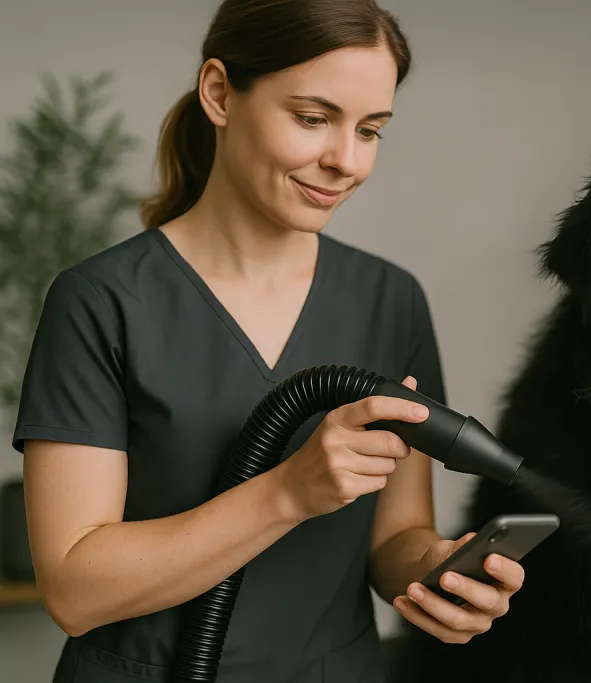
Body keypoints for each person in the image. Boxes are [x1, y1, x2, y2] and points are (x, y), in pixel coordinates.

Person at [12, 1, 525, 681]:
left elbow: (394, 536)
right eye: (313, 119)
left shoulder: (389, 301)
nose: (345, 160)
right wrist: (289, 490)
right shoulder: (102, 302)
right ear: (220, 93)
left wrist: (435, 572)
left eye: (370, 130)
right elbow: (75, 590)